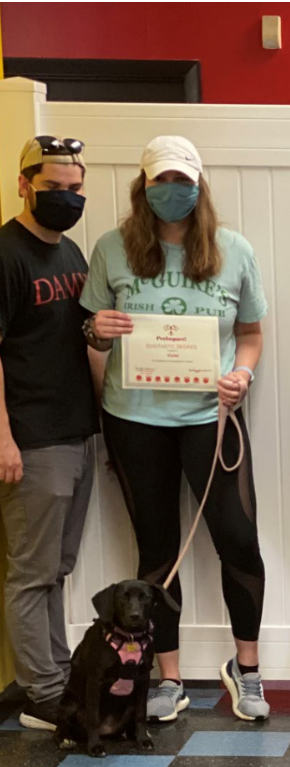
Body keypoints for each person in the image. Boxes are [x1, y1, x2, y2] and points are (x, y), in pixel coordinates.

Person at [81, 135, 270, 722]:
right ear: (144, 187)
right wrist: (98, 332)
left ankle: (248, 669)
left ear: (199, 185)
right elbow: (89, 330)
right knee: (158, 549)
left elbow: (252, 335)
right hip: (134, 418)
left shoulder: (233, 249)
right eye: (161, 181)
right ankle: (166, 676)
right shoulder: (111, 249)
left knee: (237, 540)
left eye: (182, 182)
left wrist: (241, 374)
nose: (172, 192)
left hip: (210, 419)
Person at [0, 136, 100, 730]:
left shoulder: (71, 254)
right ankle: (41, 692)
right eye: (53, 188)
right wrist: (4, 439)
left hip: (77, 432)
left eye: (73, 189)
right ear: (23, 184)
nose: (65, 198)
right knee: (32, 571)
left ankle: (55, 677)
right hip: (33, 439)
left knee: (57, 568)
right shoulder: (6, 254)